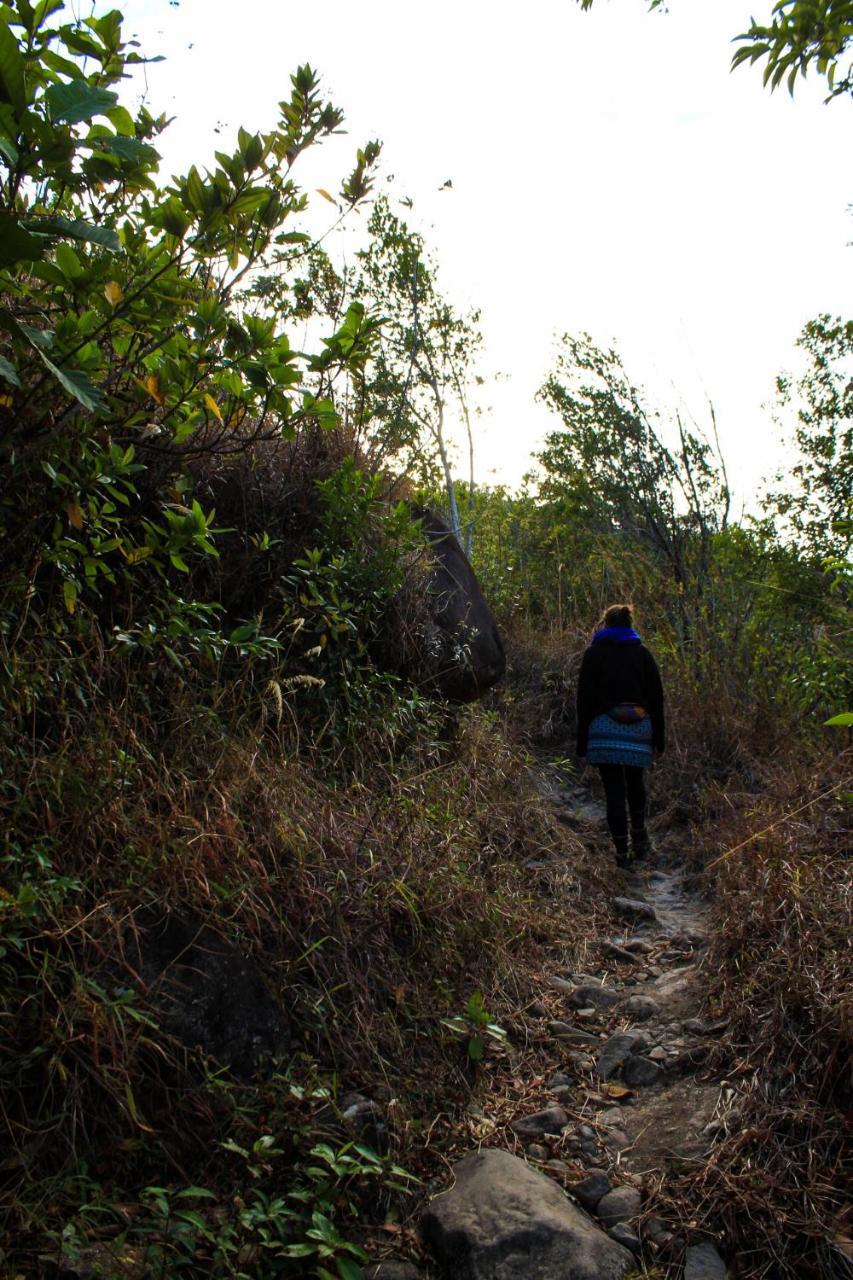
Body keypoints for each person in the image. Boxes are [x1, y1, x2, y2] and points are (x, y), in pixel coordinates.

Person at [576, 603, 665, 868]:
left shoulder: (593, 654)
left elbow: (584, 700)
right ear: (629, 624)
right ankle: (640, 839)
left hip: (604, 731)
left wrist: (582, 741)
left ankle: (621, 852)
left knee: (614, 791)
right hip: (638, 731)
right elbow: (656, 699)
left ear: (606, 624)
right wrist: (659, 739)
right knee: (635, 783)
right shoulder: (643, 654)